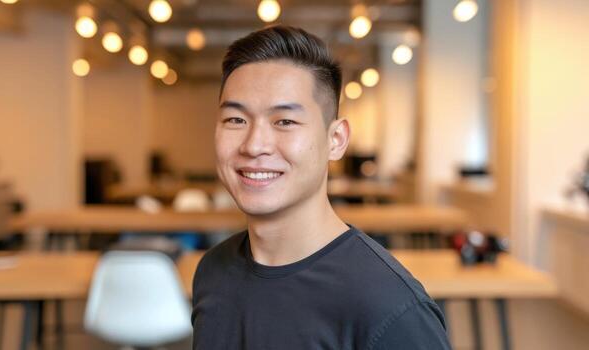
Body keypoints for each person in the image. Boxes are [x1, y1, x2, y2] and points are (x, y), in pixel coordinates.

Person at [191, 25, 452, 349]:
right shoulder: (212, 272)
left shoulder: (390, 308)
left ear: (336, 139)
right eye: (236, 120)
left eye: (284, 121)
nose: (254, 145)